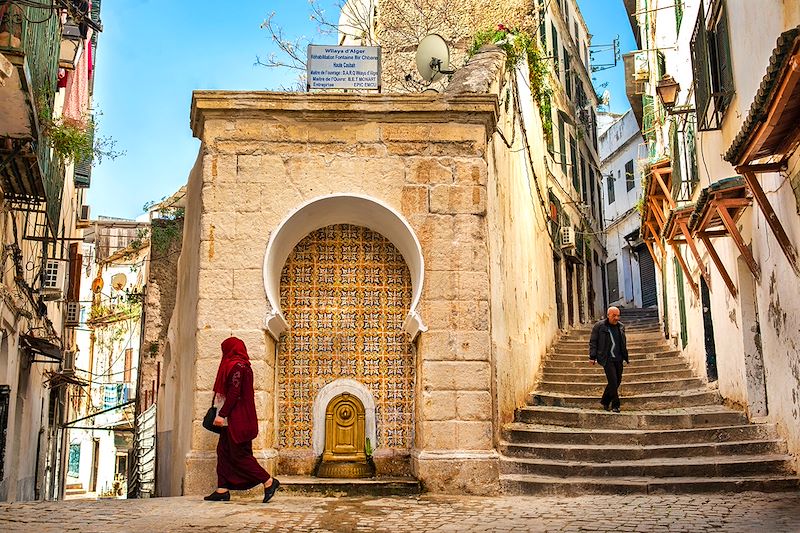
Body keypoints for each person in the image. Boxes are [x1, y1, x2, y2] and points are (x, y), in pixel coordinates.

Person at [204, 337, 280, 503]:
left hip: (237, 420)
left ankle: (268, 481)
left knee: (239, 456)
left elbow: (234, 393)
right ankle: (222, 489)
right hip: (233, 420)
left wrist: (222, 414)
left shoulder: (238, 366)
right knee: (223, 453)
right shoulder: (237, 366)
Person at [588, 306, 629, 413]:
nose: (616, 318)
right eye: (614, 315)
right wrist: (592, 356)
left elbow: (622, 343)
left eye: (618, 315)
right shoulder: (599, 326)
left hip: (618, 358)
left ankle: (605, 401)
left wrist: (625, 355)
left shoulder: (621, 327)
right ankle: (616, 405)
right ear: (608, 315)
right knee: (613, 381)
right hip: (606, 358)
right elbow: (593, 341)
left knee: (618, 380)